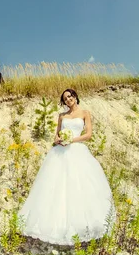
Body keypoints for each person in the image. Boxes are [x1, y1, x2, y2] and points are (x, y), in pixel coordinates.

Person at [18, 88, 115, 245]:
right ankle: (55, 227)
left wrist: (72, 140)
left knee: (80, 186)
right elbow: (57, 134)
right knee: (55, 188)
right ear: (63, 102)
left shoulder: (85, 113)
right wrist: (59, 140)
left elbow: (88, 134)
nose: (68, 100)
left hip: (77, 151)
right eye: (65, 99)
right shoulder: (62, 116)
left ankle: (84, 226)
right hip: (60, 153)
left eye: (70, 96)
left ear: (75, 96)